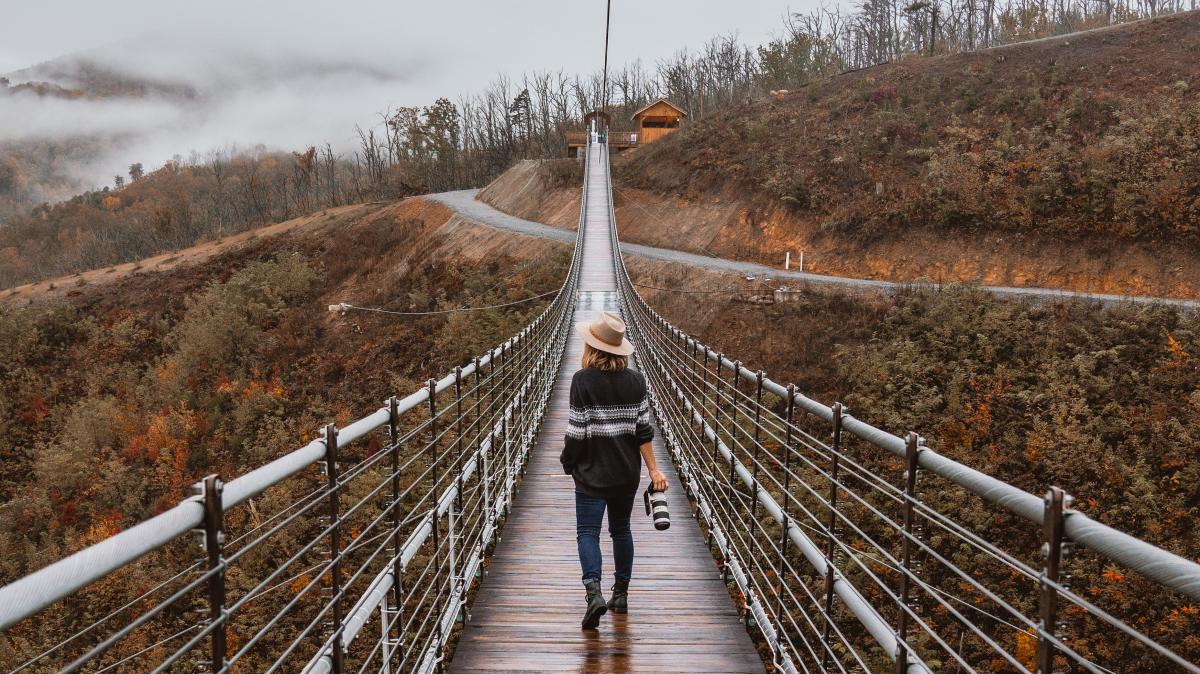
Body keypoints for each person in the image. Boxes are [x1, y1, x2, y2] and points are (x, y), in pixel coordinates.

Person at [560, 311, 667, 630]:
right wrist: (654, 470)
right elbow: (643, 431)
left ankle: (593, 594)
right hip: (626, 473)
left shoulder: (582, 381)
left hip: (591, 474)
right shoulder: (636, 381)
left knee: (587, 533)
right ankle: (620, 595)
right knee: (621, 530)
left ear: (592, 347)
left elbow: (576, 432)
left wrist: (569, 463)